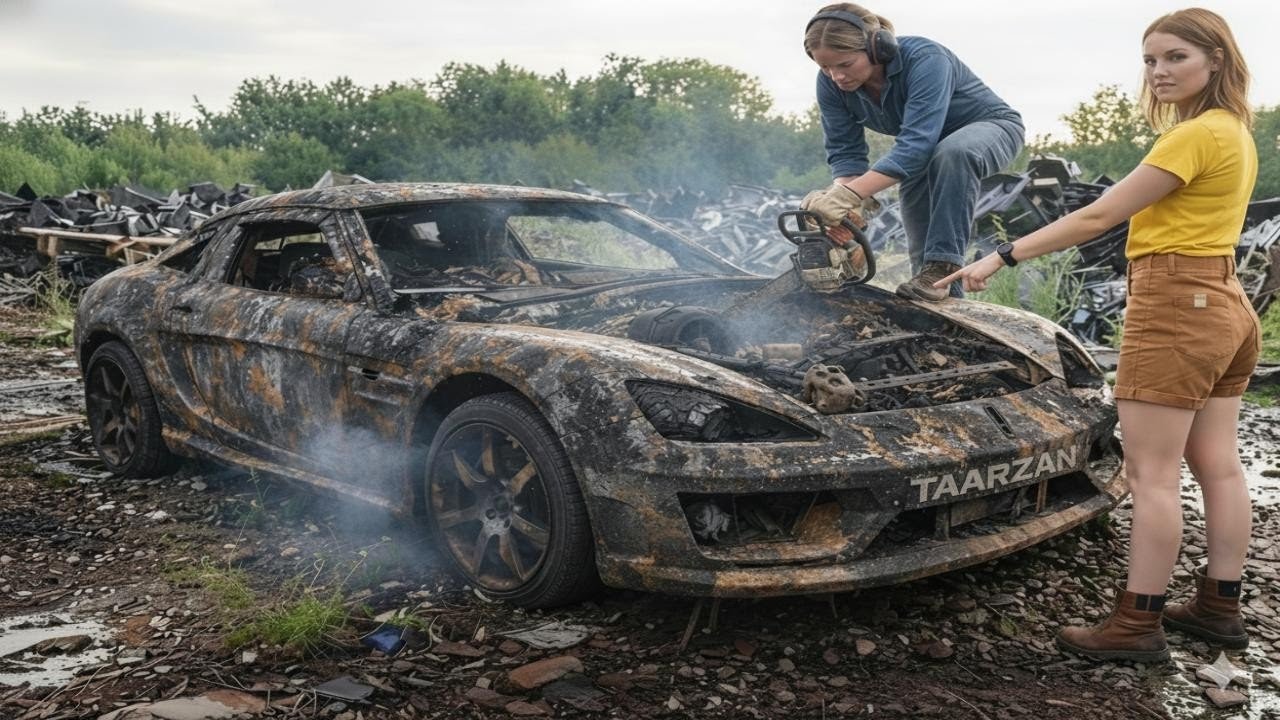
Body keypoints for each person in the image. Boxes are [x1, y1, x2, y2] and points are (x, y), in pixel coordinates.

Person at [937, 7, 1259, 661]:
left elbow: (1102, 214)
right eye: (1151, 59)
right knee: (1219, 468)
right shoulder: (1236, 131)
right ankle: (1219, 606)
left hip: (1176, 304)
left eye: (1176, 58)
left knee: (1153, 474)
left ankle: (1135, 627)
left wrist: (1002, 256)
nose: (1160, 71)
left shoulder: (1194, 136)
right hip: (1225, 301)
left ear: (1216, 60)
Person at [799, 3, 1024, 301]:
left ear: (877, 48)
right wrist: (843, 207)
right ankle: (946, 313)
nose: (836, 76)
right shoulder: (830, 85)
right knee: (922, 252)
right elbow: (845, 152)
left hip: (990, 128)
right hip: (924, 151)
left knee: (952, 152)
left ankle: (944, 263)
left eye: (845, 64)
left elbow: (916, 144)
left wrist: (849, 195)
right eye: (825, 67)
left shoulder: (926, 59)